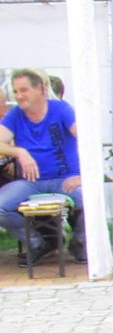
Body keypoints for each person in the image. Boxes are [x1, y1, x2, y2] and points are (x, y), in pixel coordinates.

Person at [0, 68, 85, 265]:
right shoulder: (15, 116)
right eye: (16, 91)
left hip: (65, 178)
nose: (19, 96)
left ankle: (80, 243)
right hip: (32, 182)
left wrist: (84, 175)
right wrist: (20, 152)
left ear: (41, 88)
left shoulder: (61, 109)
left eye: (24, 90)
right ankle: (38, 243)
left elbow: (86, 138)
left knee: (90, 198)